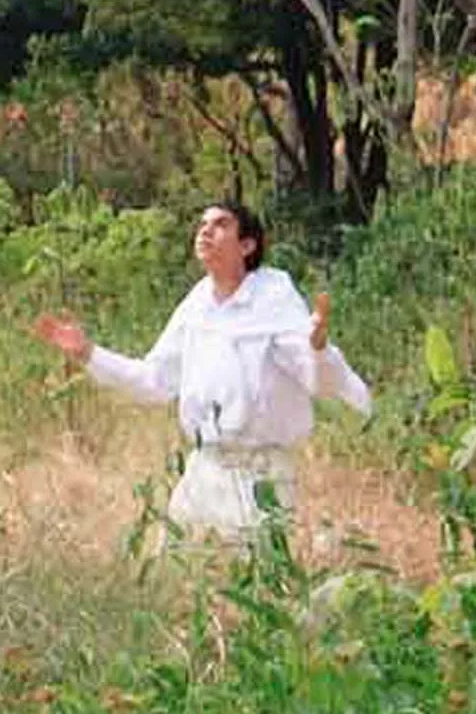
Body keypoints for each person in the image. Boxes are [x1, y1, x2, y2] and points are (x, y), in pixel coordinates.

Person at [34, 201, 371, 542]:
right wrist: (89, 353)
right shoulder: (197, 304)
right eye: (202, 224)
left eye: (221, 224)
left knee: (254, 569)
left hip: (260, 476)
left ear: (247, 245)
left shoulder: (273, 298)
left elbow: (317, 380)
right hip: (203, 473)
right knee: (179, 566)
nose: (206, 231)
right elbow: (154, 381)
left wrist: (319, 349)